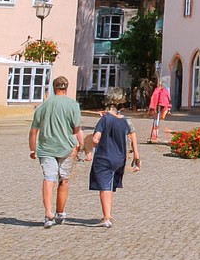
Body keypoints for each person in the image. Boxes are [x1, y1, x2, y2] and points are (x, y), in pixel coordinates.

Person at [28, 75, 85, 228]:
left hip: (46, 148)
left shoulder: (43, 106)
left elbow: (33, 131)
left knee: (49, 178)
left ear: (54, 88)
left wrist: (32, 149)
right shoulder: (73, 105)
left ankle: (48, 213)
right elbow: (77, 129)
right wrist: (82, 146)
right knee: (64, 179)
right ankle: (60, 212)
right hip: (67, 148)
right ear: (66, 88)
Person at [83, 89, 140, 228]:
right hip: (120, 159)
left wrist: (88, 147)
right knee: (109, 186)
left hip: (105, 157)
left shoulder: (105, 119)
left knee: (104, 187)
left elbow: (96, 139)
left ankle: (106, 217)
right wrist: (136, 156)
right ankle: (108, 214)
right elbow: (131, 137)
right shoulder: (124, 122)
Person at [147, 79, 172, 143]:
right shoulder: (161, 90)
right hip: (159, 105)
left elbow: (155, 98)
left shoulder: (160, 90)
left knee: (156, 120)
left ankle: (154, 136)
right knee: (156, 121)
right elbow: (167, 98)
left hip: (160, 105)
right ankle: (154, 137)